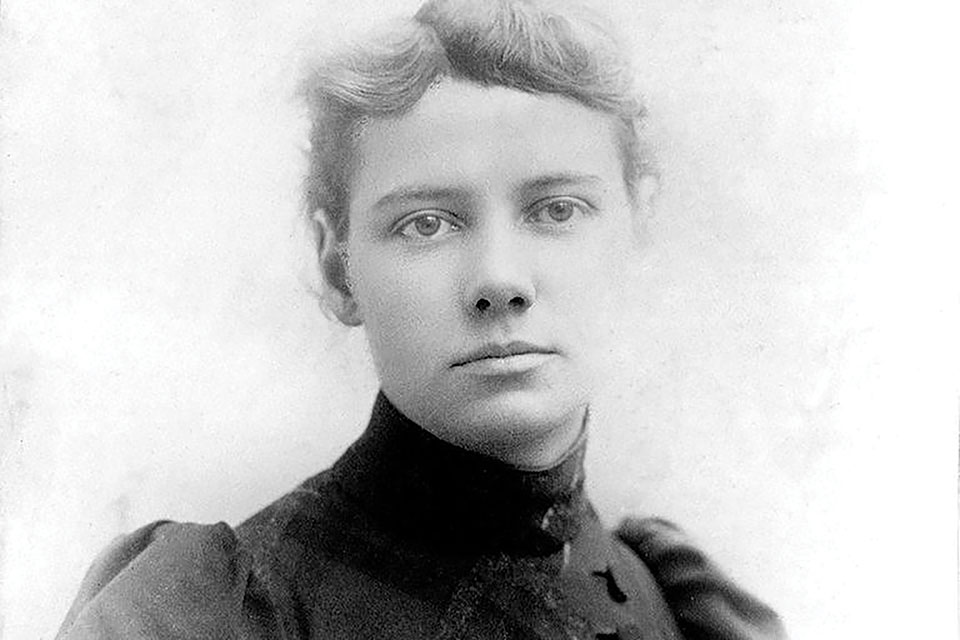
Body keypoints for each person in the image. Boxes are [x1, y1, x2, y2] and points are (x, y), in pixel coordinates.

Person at [56, 0, 787, 638]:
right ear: (337, 266)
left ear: (634, 231)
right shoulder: (214, 613)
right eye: (427, 224)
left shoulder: (680, 603)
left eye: (557, 210)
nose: (500, 281)